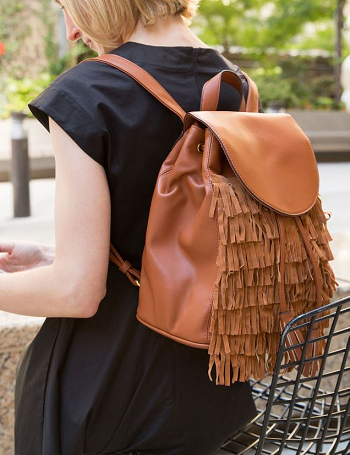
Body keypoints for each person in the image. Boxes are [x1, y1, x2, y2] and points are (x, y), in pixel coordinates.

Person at [0, 1, 259, 454]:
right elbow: (190, 248)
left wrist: (66, 271)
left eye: (69, 8)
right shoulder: (235, 86)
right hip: (215, 391)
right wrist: (52, 258)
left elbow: (75, 293)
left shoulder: (90, 90)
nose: (72, 33)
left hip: (106, 398)